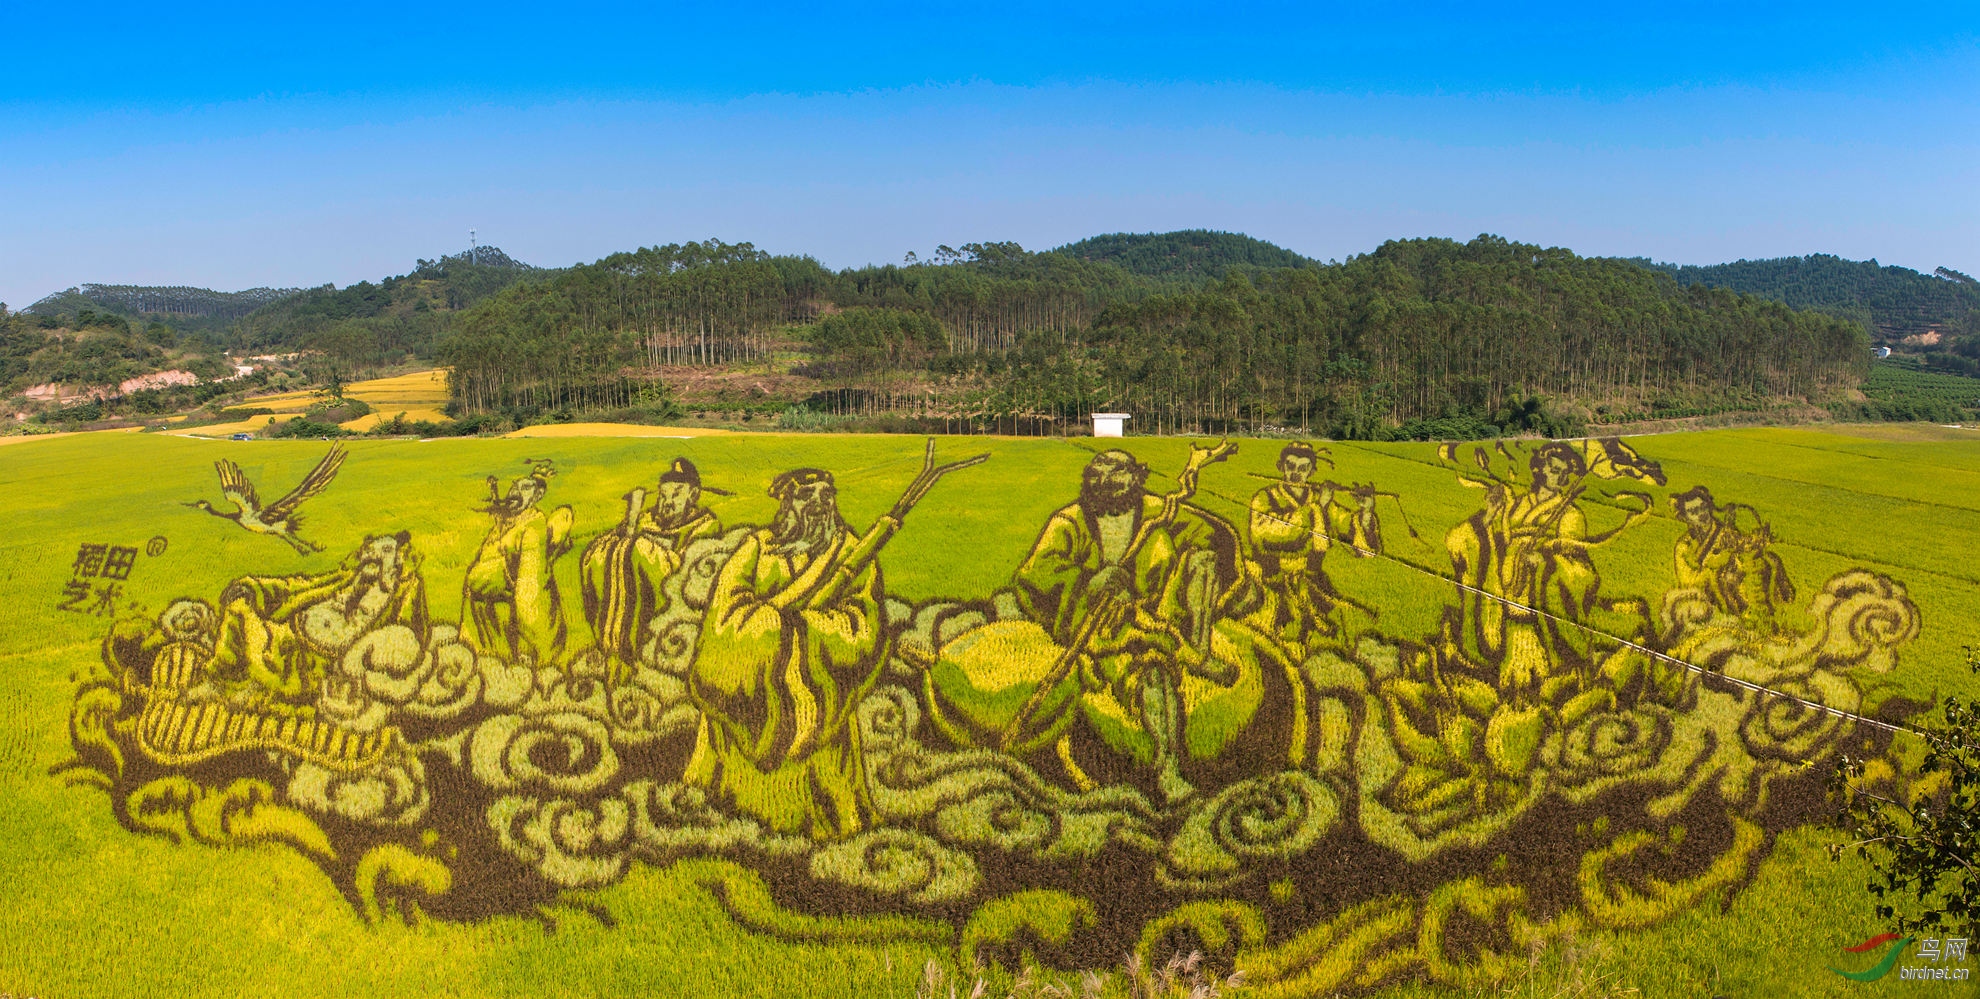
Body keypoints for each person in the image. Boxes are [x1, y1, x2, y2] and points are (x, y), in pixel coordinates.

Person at [924, 449, 1271, 803]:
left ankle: (1191, 665)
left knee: (1200, 565)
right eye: (1101, 477)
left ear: (1136, 480)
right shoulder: (1070, 522)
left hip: (1150, 613)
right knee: (1151, 673)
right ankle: (1168, 766)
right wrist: (1090, 581)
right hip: (1097, 623)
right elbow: (1036, 572)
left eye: (1118, 475)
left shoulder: (1158, 512)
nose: (1109, 485)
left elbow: (1216, 534)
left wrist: (1198, 579)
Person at [683, 468, 887, 840]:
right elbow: (724, 612)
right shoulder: (757, 548)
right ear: (787, 504)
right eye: (807, 496)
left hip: (821, 690)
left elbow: (864, 620)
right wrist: (772, 630)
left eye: (827, 495)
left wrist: (800, 632)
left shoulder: (853, 552)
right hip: (750, 682)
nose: (819, 505)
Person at [203, 531, 429, 708]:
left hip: (313, 666)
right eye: (370, 560)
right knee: (239, 610)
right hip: (290, 634)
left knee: (255, 644)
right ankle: (219, 679)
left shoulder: (399, 595)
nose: (372, 570)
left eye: (385, 564)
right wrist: (253, 587)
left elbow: (408, 639)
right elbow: (299, 586)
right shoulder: (347, 576)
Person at [580, 457, 725, 666]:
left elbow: (684, 570)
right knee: (602, 551)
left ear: (692, 495)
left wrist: (641, 547)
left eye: (676, 494)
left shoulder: (704, 525)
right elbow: (618, 542)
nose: (668, 502)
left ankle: (633, 648)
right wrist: (630, 521)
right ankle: (609, 644)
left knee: (637, 548)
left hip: (673, 603)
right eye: (663, 495)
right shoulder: (648, 520)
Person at [1246, 443, 1381, 646]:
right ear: (1280, 466)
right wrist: (1316, 509)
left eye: (1303, 468)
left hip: (1311, 580)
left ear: (1312, 472)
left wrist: (1366, 513)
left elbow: (1346, 527)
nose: (1295, 474)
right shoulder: (1265, 498)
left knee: (1342, 628)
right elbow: (1265, 534)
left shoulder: (1319, 500)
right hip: (1271, 581)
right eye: (1290, 466)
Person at [463, 465, 574, 666]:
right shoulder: (506, 524)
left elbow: (529, 592)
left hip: (515, 619)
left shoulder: (532, 527)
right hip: (488, 613)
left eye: (524, 488)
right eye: (514, 487)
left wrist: (527, 642)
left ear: (537, 495)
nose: (515, 492)